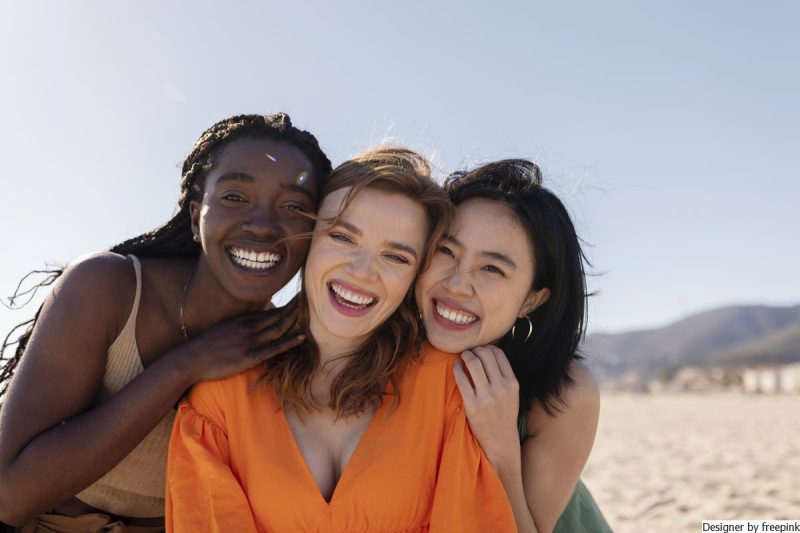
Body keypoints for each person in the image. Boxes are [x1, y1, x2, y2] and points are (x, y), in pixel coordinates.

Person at [0, 113, 331, 531]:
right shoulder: (107, 287)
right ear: (197, 216)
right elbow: (10, 495)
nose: (263, 226)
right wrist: (185, 365)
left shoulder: (290, 351)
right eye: (234, 197)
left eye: (293, 207)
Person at [165, 147, 516, 532]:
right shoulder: (221, 398)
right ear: (308, 239)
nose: (362, 272)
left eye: (396, 257)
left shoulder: (448, 387)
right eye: (344, 237)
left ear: (417, 275)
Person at [415, 159, 611, 533]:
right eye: (446, 251)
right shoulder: (389, 354)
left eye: (492, 269)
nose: (457, 284)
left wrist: (501, 447)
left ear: (531, 301)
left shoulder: (566, 391)